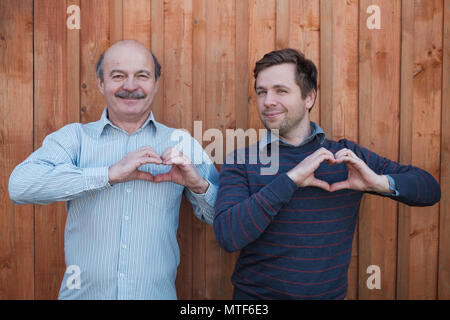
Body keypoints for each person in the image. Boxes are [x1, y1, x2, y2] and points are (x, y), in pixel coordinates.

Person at [213, 48, 441, 300]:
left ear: (309, 98)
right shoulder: (242, 160)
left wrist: (377, 183)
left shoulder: (347, 156)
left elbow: (429, 188)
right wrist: (290, 180)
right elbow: (228, 236)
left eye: (281, 90)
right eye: (261, 92)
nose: (268, 101)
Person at [8, 40, 218, 300]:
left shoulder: (181, 143)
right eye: (118, 76)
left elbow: (222, 218)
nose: (130, 86)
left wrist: (198, 186)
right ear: (100, 83)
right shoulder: (75, 139)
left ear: (155, 83)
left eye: (142, 76)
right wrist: (107, 175)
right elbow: (20, 186)